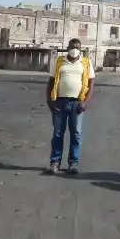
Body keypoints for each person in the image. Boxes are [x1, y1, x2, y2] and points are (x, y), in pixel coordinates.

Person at [44, 38, 95, 175]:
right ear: (67, 48)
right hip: (60, 102)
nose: (75, 49)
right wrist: (50, 101)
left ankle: (73, 163)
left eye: (78, 47)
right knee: (57, 133)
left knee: (76, 134)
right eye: (72, 47)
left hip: (77, 103)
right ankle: (54, 162)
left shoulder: (85, 62)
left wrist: (85, 102)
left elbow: (91, 83)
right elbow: (51, 82)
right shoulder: (60, 61)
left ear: (81, 48)